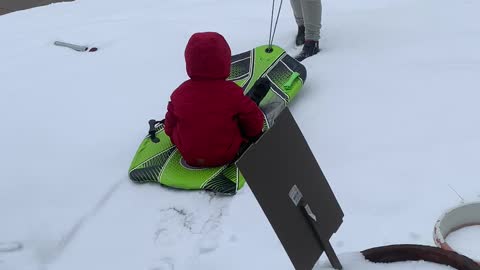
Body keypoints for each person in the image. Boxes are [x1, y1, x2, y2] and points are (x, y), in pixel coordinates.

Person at [164, 32, 269, 168]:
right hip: (225, 154)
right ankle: (253, 100)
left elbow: (168, 128)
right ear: (225, 61)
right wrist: (253, 134)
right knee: (243, 113)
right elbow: (254, 123)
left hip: (188, 155)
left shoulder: (179, 93)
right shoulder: (232, 92)